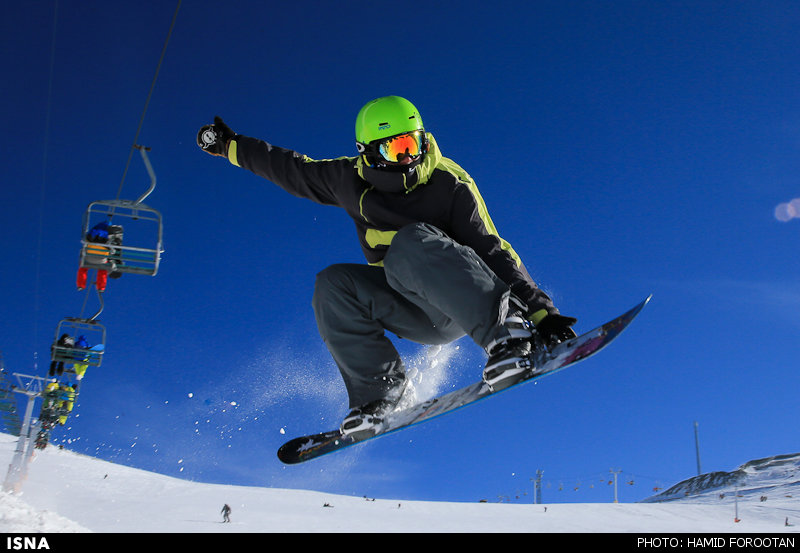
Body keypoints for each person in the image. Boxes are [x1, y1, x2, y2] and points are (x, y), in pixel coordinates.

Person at [197, 96, 576, 437]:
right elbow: (293, 170)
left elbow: (492, 248)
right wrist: (231, 146)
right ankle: (381, 393)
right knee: (332, 283)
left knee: (410, 242)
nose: (409, 157)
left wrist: (542, 314)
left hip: (463, 301)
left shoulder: (449, 182)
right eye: (396, 149)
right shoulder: (348, 179)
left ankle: (508, 336)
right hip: (412, 309)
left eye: (413, 144)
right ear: (369, 153)